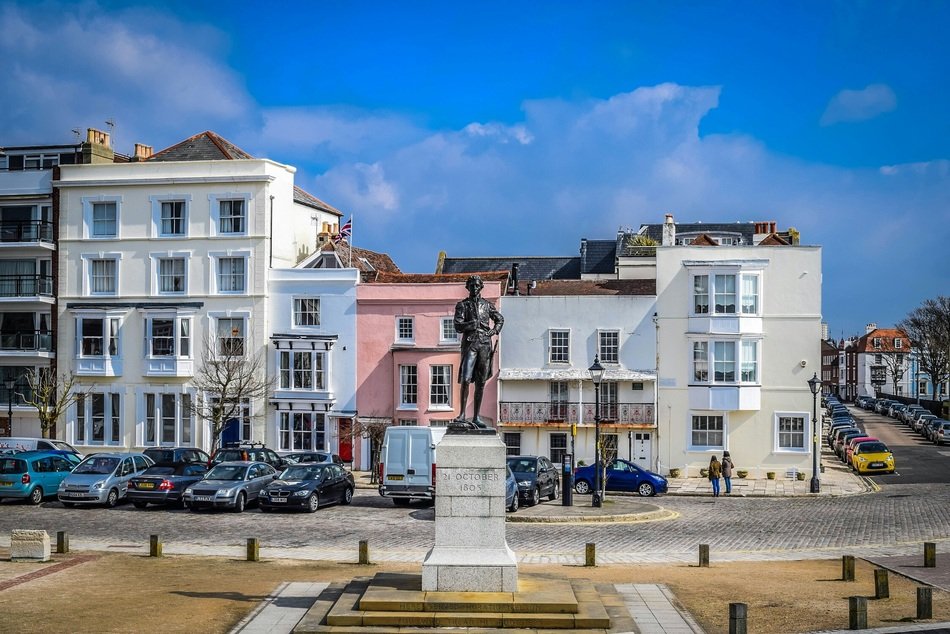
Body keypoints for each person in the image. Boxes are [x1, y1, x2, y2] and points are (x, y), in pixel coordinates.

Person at [453, 275, 504, 428]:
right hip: (470, 344)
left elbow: (500, 319)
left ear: (481, 287)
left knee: (481, 382)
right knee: (466, 378)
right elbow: (458, 325)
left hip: (484, 344)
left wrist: (494, 330)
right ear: (467, 288)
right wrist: (472, 323)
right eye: (471, 286)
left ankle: (476, 417)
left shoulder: (487, 305)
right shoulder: (463, 305)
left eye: (477, 286)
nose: (474, 288)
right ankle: (462, 414)